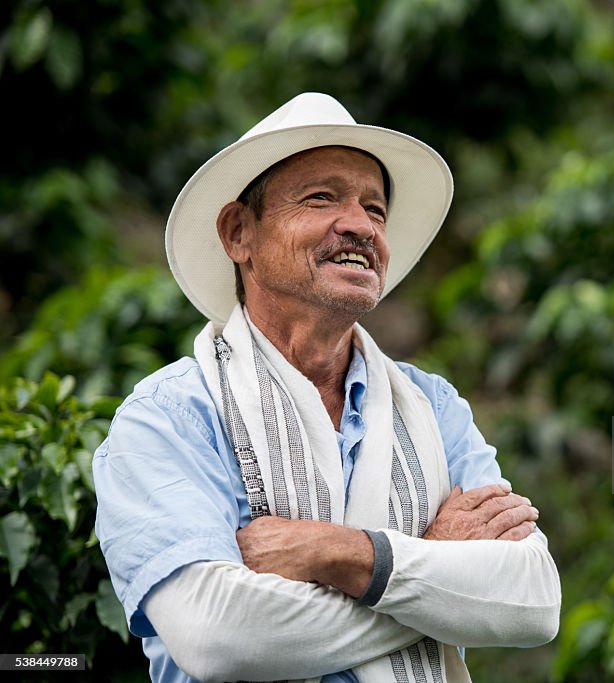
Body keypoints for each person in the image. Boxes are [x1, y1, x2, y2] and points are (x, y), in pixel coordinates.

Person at [93, 92, 561, 683]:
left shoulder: (433, 405)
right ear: (240, 234)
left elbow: (534, 600)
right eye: (321, 198)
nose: (360, 226)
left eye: (376, 209)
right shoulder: (169, 418)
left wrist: (341, 552)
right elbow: (217, 635)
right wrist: (432, 567)